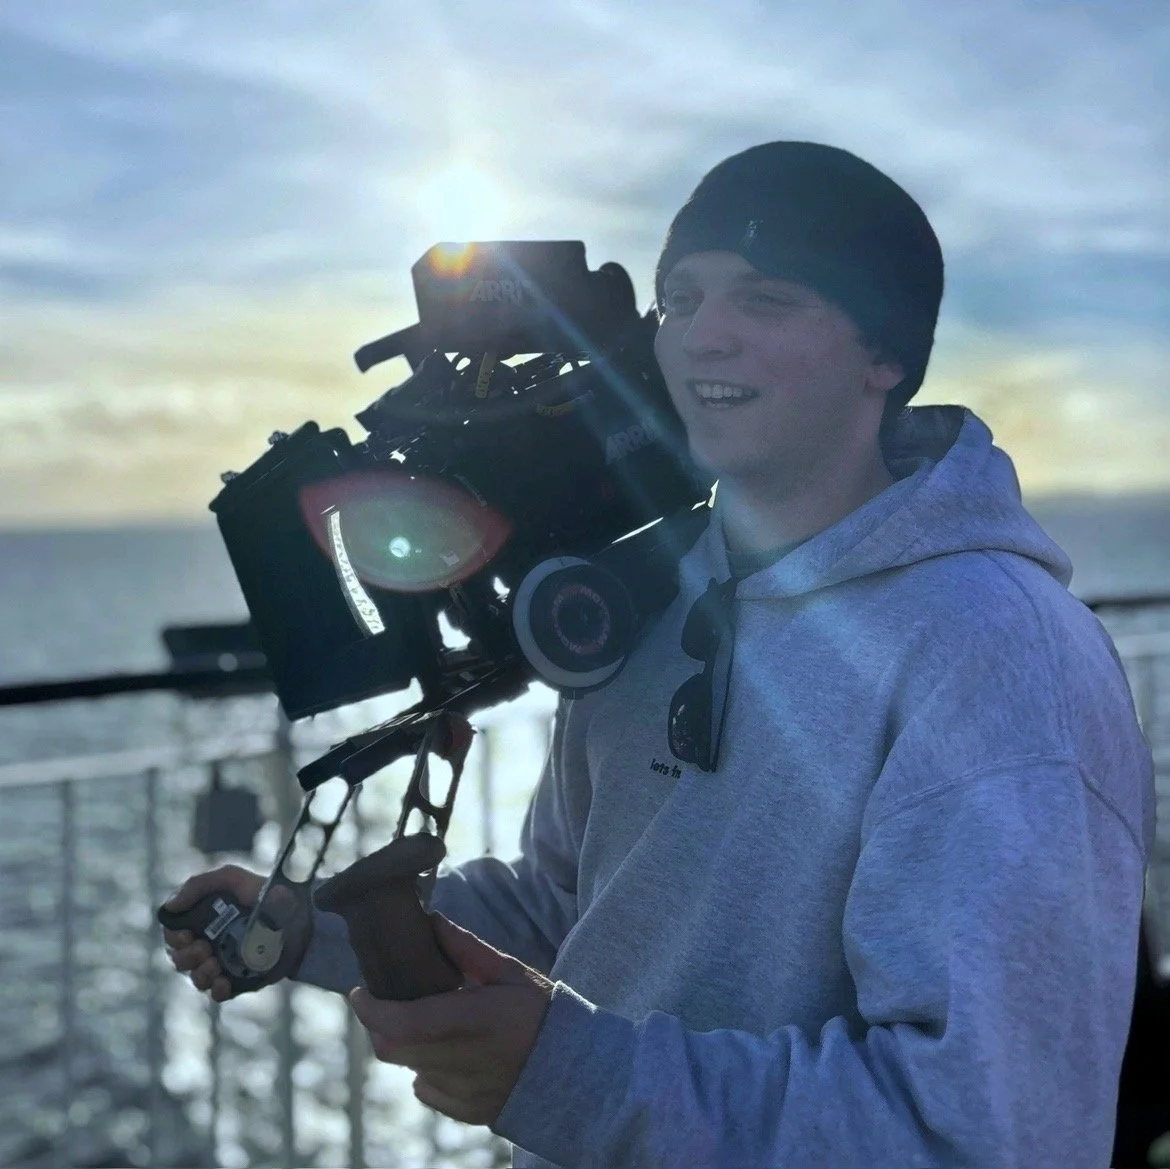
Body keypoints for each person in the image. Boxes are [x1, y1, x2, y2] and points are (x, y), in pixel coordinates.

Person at [163, 141, 1156, 1168]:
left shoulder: (1001, 656)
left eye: (767, 300)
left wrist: (567, 1074)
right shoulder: (655, 595)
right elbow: (576, 903)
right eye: (682, 297)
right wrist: (305, 926)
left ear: (885, 355)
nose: (705, 336)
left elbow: (985, 1135)